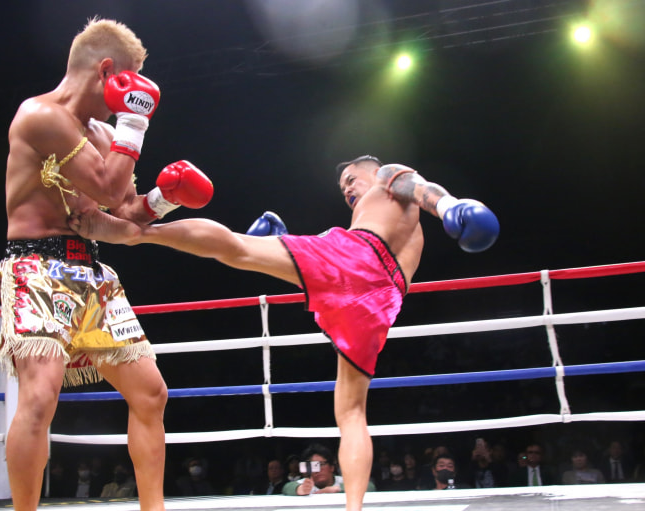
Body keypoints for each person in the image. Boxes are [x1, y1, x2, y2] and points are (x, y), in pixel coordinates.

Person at [69, 154, 499, 510]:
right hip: (380, 301)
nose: (348, 190)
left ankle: (136, 234)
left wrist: (450, 206)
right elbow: (335, 265)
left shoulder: (388, 178)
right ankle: (353, 508)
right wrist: (286, 239)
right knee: (351, 412)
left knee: (236, 248)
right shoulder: (390, 223)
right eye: (343, 187)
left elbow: (416, 187)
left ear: (374, 172)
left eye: (352, 180)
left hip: (360, 261)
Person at [0, 17, 213, 511]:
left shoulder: (100, 133)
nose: (131, 98)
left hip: (91, 275)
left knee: (151, 393)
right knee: (39, 396)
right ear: (108, 71)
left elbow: (126, 209)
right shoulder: (40, 115)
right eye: (132, 80)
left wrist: (165, 197)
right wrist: (135, 123)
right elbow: (107, 189)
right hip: (37, 268)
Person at [282, 442, 376, 495]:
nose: (318, 470)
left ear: (331, 467)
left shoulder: (343, 482)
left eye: (321, 464)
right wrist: (300, 490)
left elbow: (370, 486)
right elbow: (286, 488)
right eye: (313, 466)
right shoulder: (306, 483)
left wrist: (337, 489)